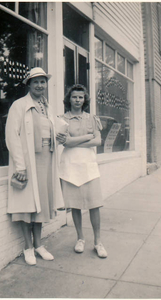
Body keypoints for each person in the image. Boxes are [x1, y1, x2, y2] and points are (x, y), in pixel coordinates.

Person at [5, 67, 66, 265]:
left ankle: (39, 244)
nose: (40, 85)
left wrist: (59, 137)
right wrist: (20, 167)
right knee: (26, 205)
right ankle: (27, 247)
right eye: (36, 82)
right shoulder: (19, 105)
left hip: (46, 160)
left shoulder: (47, 107)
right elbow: (12, 137)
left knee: (41, 205)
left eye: (43, 82)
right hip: (28, 161)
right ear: (29, 85)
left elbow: (51, 131)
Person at [59, 84, 107, 258]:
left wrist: (76, 140)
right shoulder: (62, 119)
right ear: (69, 99)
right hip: (70, 165)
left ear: (84, 99)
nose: (77, 100)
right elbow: (65, 143)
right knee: (75, 204)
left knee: (94, 204)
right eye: (74, 97)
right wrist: (88, 136)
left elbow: (98, 141)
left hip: (88, 165)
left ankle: (98, 242)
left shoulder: (91, 118)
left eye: (80, 97)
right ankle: (80, 238)